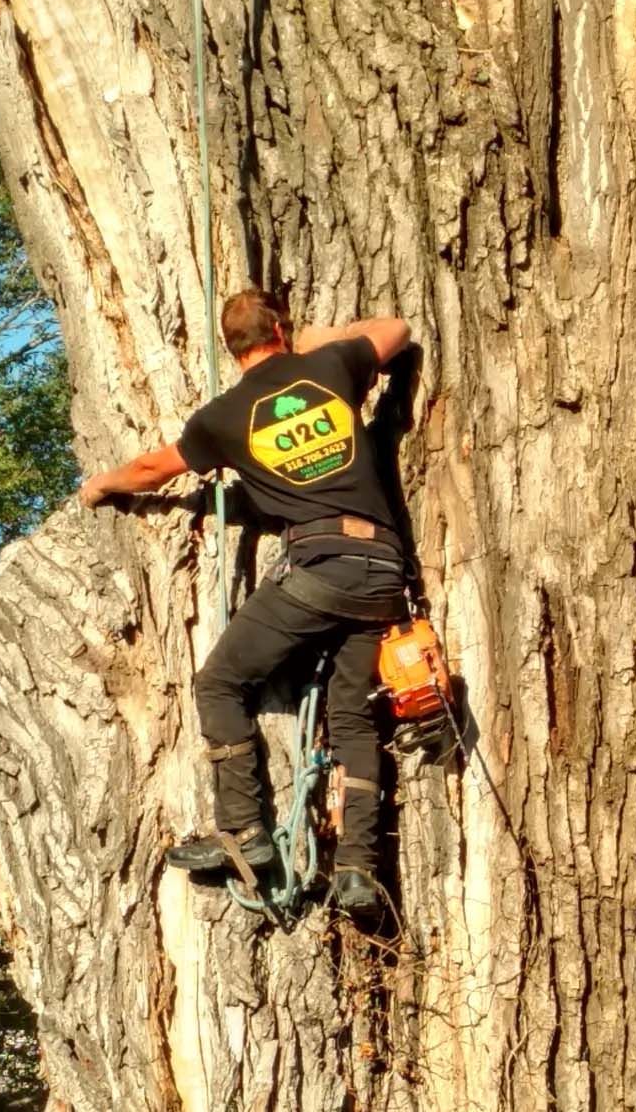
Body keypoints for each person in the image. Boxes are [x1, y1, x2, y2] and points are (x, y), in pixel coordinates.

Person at [79, 287, 413, 915]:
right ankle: (357, 869)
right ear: (280, 330)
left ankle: (244, 832)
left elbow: (152, 470)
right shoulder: (332, 365)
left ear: (231, 350)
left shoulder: (224, 417)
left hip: (319, 568)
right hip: (382, 572)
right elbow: (396, 329)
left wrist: (100, 485)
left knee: (220, 683)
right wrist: (315, 339)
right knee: (351, 717)